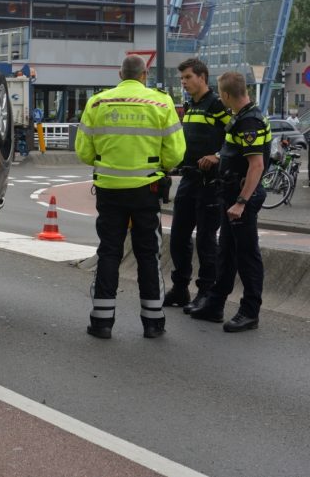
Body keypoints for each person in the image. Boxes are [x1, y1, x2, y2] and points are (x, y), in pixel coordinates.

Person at [76, 55, 185, 339]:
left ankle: (101, 322)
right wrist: (157, 165)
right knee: (147, 254)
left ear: (119, 74)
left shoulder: (98, 103)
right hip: (145, 191)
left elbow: (84, 152)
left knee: (109, 251)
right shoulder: (161, 103)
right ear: (145, 75)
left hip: (109, 190)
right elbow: (175, 153)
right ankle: (153, 322)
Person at [188, 71, 270, 332]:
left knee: (246, 255)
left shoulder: (250, 122)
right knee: (227, 252)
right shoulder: (242, 117)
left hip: (241, 198)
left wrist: (242, 202)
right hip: (230, 195)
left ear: (224, 95)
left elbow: (256, 166)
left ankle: (250, 312)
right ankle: (215, 303)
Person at [164, 58, 230, 313]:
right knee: (178, 237)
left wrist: (218, 155)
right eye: (181, 79)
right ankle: (180, 288)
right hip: (189, 179)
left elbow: (234, 136)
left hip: (210, 183)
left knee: (205, 240)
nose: (184, 83)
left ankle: (205, 292)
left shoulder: (217, 105)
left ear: (202, 77)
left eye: (188, 78)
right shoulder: (191, 105)